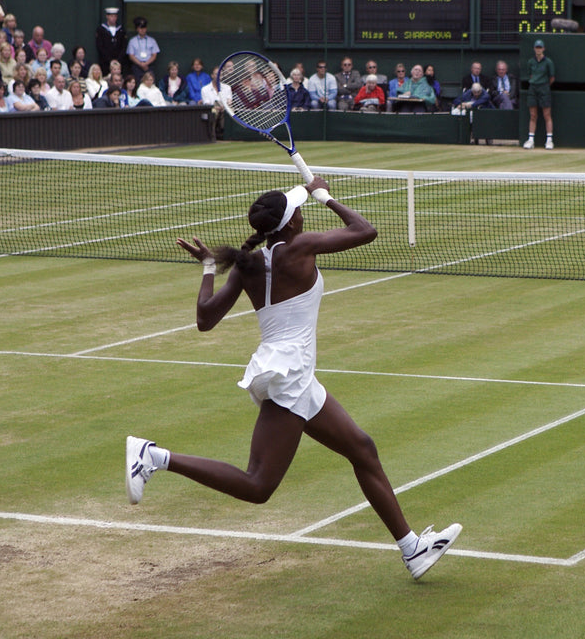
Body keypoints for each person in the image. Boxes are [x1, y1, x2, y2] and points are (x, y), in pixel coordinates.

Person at [125, 179, 462, 579]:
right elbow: (365, 231)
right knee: (258, 485)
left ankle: (413, 549)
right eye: (298, 209)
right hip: (290, 374)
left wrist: (209, 267)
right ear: (289, 225)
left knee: (362, 449)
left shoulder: (248, 266)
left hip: (290, 370)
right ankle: (153, 457)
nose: (303, 213)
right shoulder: (299, 247)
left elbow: (205, 319)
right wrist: (324, 194)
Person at [522, 40, 555, 150]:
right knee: (533, 115)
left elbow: (552, 78)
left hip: (544, 88)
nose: (538, 49)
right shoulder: (531, 62)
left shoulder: (548, 62)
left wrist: (544, 85)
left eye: (540, 47)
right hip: (533, 88)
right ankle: (531, 140)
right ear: (534, 49)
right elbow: (530, 75)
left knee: (547, 115)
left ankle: (549, 140)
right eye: (537, 47)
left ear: (543, 49)